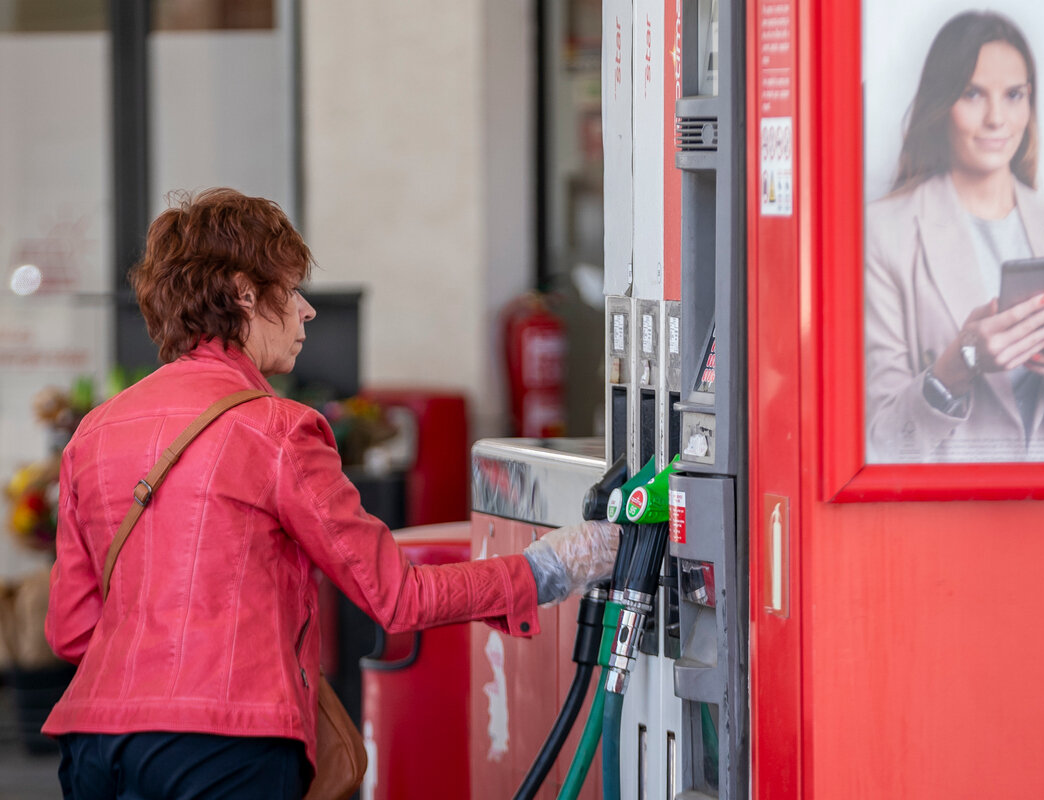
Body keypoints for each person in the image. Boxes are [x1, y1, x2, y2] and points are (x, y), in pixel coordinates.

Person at [42, 188, 620, 800]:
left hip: (93, 742)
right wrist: (549, 568)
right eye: (289, 290)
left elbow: (73, 630)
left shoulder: (94, 432)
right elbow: (396, 597)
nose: (307, 311)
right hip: (226, 746)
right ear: (243, 292)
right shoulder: (276, 429)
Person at [865, 10, 1044, 462]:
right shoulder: (886, 232)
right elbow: (881, 438)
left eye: (1014, 95)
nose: (997, 118)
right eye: (973, 94)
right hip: (949, 515)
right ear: (942, 105)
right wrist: (957, 367)